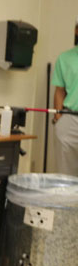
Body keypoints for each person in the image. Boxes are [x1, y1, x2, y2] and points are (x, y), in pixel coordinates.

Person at [51, 17, 78, 175]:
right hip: (69, 119)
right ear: (76, 30)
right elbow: (60, 90)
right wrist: (58, 118)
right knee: (65, 176)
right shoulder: (65, 58)